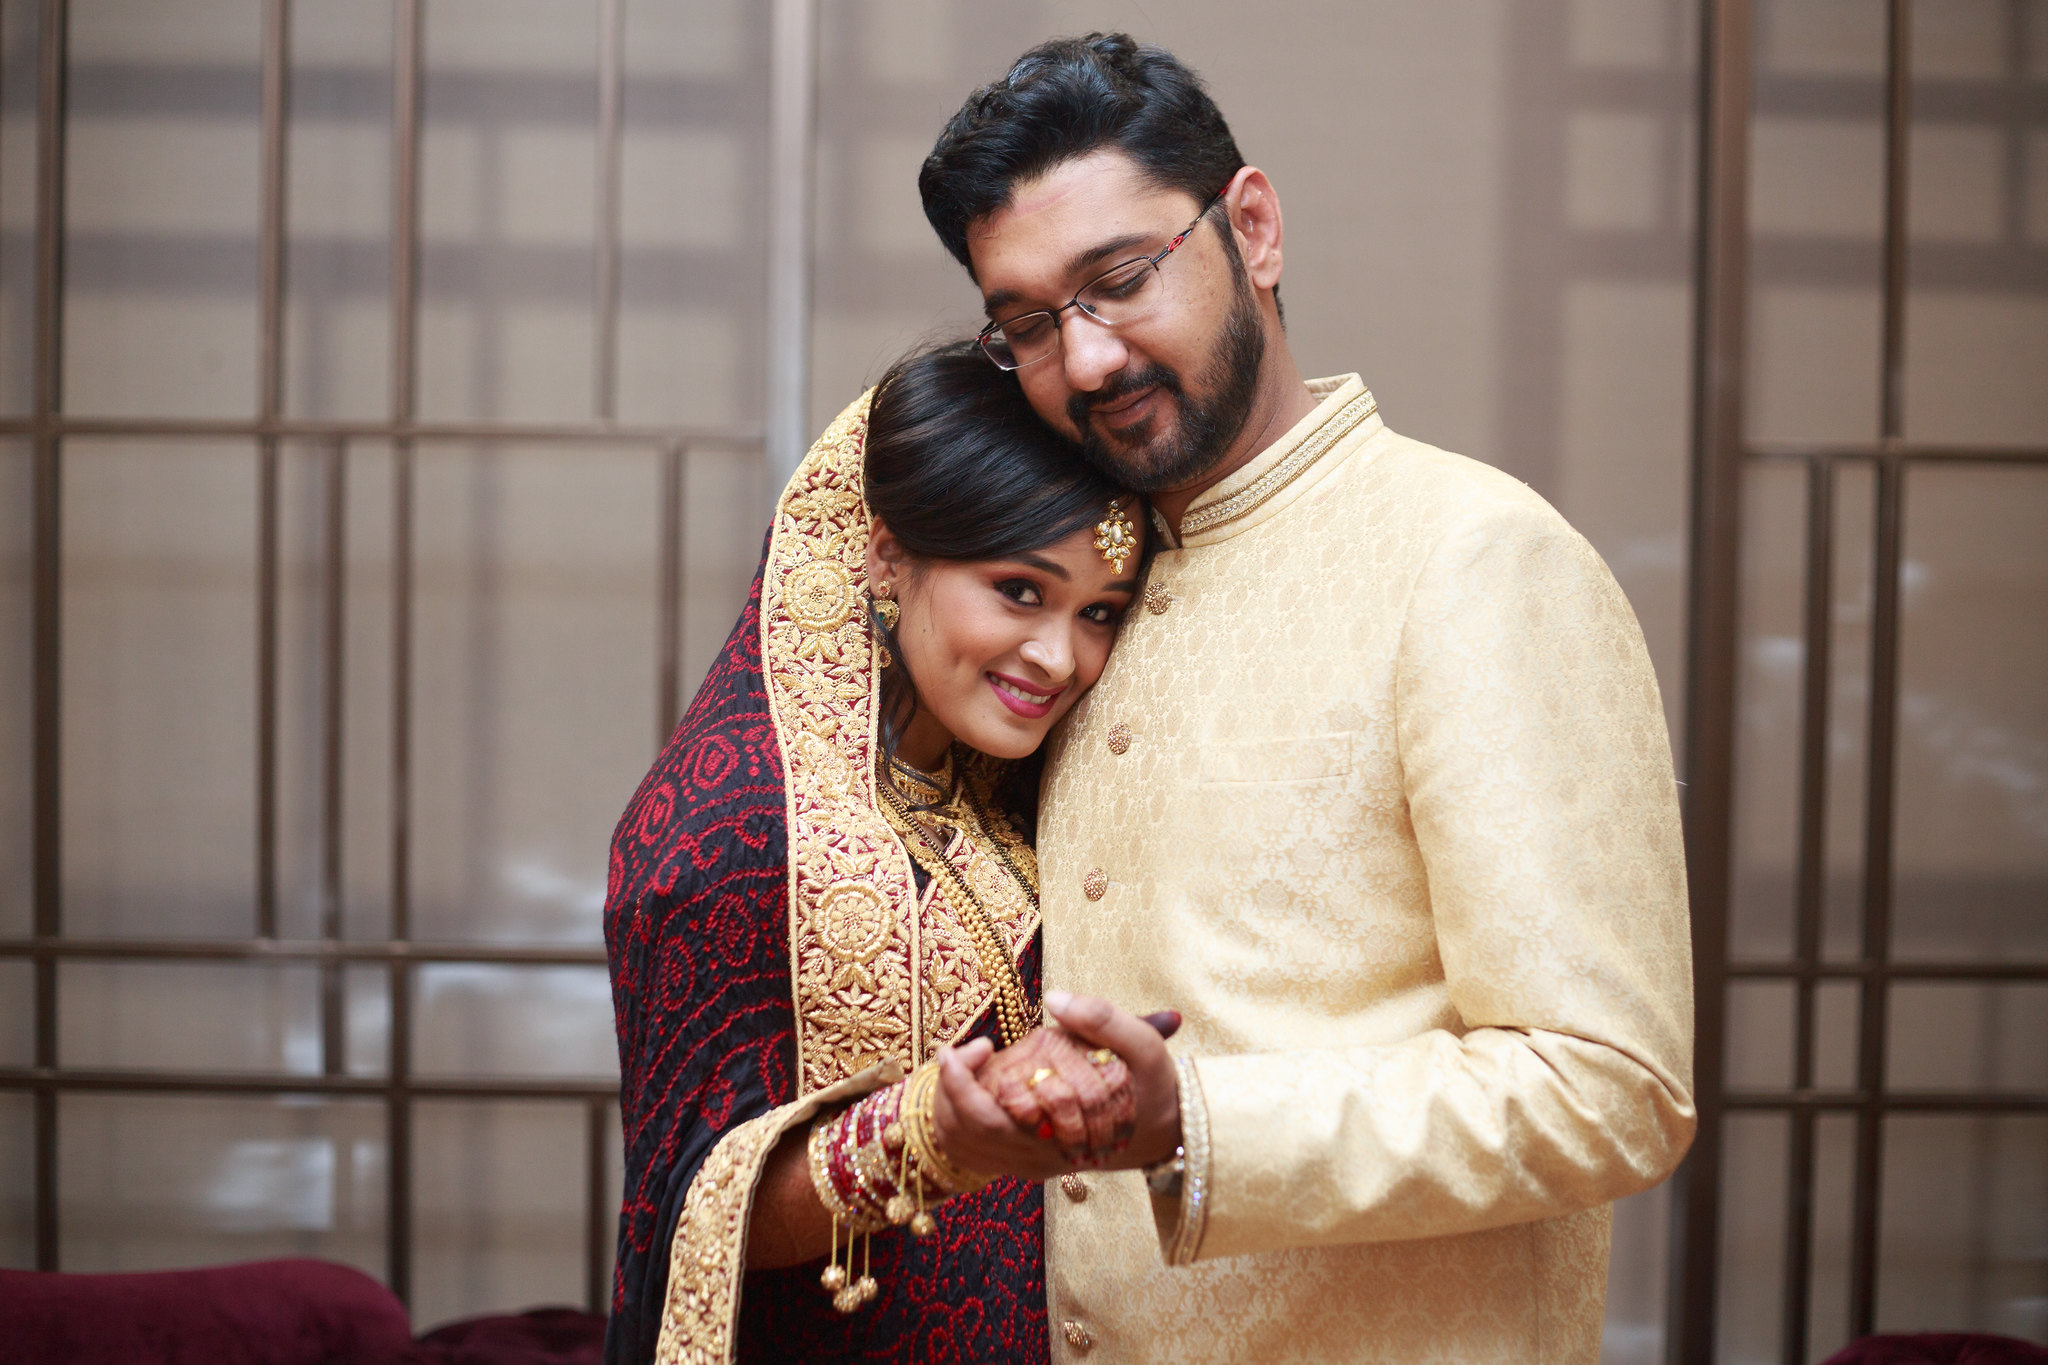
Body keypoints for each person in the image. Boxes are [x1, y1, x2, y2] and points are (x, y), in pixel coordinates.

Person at [916, 34, 1699, 1363]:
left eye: (1121, 280)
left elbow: (1609, 1088)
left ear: (1255, 229)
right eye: (1031, 324)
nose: (1087, 361)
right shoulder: (1080, 602)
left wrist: (1198, 1126)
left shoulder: (1471, 558)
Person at [600, 340, 1147, 1365]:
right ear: (887, 555)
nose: (1058, 656)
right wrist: (926, 1136)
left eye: (1099, 613)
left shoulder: (1006, 799)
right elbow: (686, 1220)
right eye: (1019, 590)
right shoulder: (729, 831)